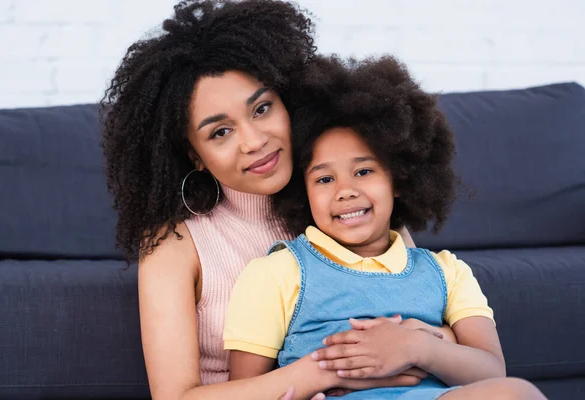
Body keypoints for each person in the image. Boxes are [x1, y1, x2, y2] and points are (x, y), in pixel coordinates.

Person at [101, 1, 432, 399]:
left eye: (262, 108)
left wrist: (423, 343)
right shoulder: (175, 246)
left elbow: (430, 316)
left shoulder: (350, 203)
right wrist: (323, 371)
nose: (255, 141)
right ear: (195, 157)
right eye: (220, 132)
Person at [224, 55, 547, 399]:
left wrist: (418, 347)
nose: (345, 190)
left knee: (516, 393)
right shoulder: (277, 272)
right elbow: (245, 389)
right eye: (324, 178)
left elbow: (491, 369)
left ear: (398, 179)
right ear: (304, 193)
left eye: (364, 171)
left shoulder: (447, 273)